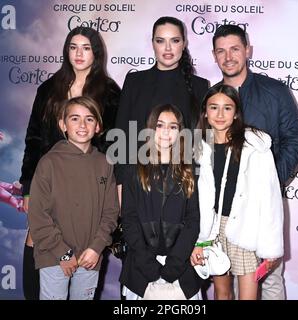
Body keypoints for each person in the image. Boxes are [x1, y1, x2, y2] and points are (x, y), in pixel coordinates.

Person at [19, 26, 120, 300]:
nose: (79, 53)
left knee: (86, 247)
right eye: (73, 47)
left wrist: (114, 185)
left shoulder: (110, 92)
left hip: (91, 180)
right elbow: (33, 138)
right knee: (39, 237)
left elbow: (115, 144)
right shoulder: (49, 88)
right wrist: (28, 187)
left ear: (96, 53)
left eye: (86, 47)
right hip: (50, 179)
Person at [211, 25, 298, 300]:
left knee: (269, 279)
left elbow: (295, 140)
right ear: (214, 55)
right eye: (221, 50)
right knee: (225, 283)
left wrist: (270, 184)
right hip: (222, 210)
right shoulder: (210, 97)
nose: (228, 56)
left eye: (235, 49)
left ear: (248, 50)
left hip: (264, 209)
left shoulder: (274, 91)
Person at [191, 84, 284, 300]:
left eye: (227, 108)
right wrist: (197, 239)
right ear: (205, 111)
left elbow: (270, 199)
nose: (220, 114)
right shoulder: (198, 147)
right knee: (222, 294)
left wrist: (270, 248)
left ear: (236, 113)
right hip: (212, 227)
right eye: (214, 107)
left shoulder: (255, 146)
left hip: (245, 228)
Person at [27, 96, 119, 300]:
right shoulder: (49, 162)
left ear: (98, 127)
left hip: (90, 257)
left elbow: (111, 212)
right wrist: (63, 253)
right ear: (63, 124)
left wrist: (96, 248)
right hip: (54, 256)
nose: (82, 125)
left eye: (89, 119)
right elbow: (38, 216)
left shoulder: (105, 163)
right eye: (75, 118)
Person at [114, 16, 209, 189]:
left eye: (174, 40)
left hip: (184, 184)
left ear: (184, 43)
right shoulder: (134, 82)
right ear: (152, 43)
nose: (167, 48)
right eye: (160, 41)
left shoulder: (200, 86)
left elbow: (201, 141)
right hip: (138, 182)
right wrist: (120, 183)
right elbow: (122, 134)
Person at [120, 104, 201, 300]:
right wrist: (149, 266)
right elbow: (129, 219)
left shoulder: (189, 172)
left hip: (180, 269)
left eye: (173, 126)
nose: (166, 131)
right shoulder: (133, 169)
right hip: (140, 270)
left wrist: (174, 265)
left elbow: (193, 220)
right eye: (159, 125)